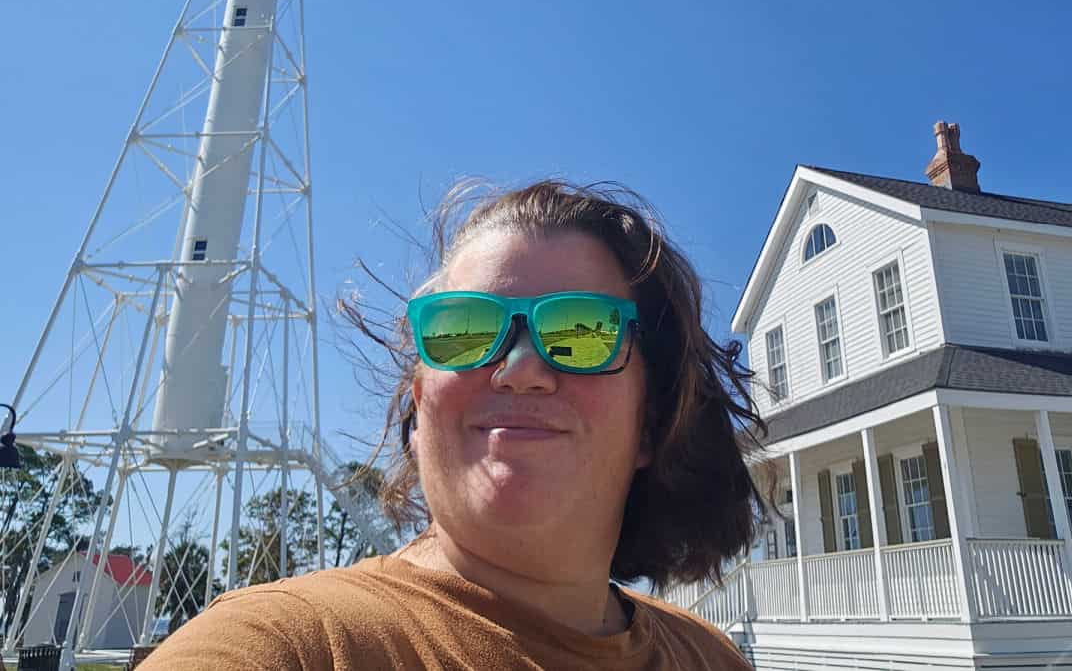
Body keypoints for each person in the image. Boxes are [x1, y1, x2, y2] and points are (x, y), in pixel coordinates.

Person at [144, 180, 769, 670]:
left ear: (651, 422)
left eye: (581, 330)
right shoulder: (287, 645)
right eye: (463, 329)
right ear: (419, 410)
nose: (521, 370)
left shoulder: (709, 656)